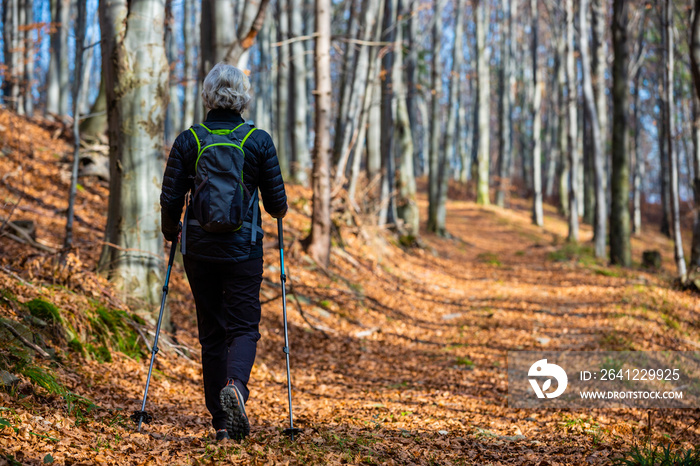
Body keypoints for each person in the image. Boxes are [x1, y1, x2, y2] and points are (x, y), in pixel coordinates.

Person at [160, 62, 288, 441]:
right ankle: (236, 388)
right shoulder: (258, 141)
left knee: (212, 333)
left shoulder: (190, 140)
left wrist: (172, 232)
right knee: (244, 327)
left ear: (207, 95)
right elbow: (276, 205)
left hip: (198, 250)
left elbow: (170, 198)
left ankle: (221, 422)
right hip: (243, 250)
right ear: (243, 97)